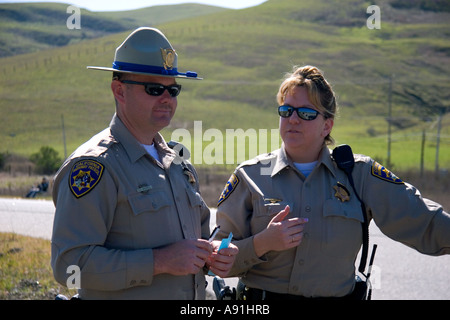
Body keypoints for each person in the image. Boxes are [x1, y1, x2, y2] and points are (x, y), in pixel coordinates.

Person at [215, 65, 450, 299]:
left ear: (327, 125)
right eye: (286, 111)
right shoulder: (250, 176)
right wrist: (262, 243)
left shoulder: (359, 175)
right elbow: (216, 257)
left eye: (306, 113)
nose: (293, 120)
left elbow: (423, 222)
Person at [51, 27, 237, 300]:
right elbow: (69, 267)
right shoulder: (94, 166)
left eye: (173, 90)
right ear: (119, 91)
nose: (167, 98)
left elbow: (196, 241)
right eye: (154, 89)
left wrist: (213, 253)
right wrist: (158, 262)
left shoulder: (178, 163)